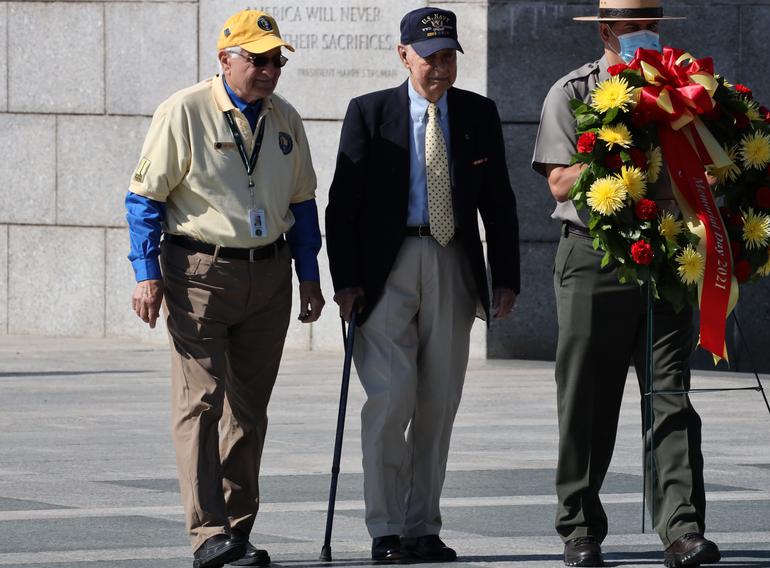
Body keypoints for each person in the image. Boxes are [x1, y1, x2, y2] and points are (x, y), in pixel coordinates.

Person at [126, 9, 324, 568]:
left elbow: (303, 204)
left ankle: (236, 529)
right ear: (225, 59)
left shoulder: (286, 119)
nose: (269, 71)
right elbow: (143, 200)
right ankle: (206, 531)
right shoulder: (184, 110)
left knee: (249, 410)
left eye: (276, 60)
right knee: (200, 404)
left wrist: (309, 275)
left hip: (270, 275)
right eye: (257, 60)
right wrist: (146, 275)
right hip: (198, 273)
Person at [325, 6, 520, 563]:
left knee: (439, 400)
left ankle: (422, 526)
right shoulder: (369, 112)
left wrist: (504, 278)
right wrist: (346, 280)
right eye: (429, 56)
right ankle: (385, 528)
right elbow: (342, 207)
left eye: (448, 57)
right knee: (390, 399)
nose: (439, 67)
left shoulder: (478, 113)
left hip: (452, 263)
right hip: (386, 270)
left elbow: (499, 203)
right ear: (403, 54)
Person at [531, 1, 722, 567]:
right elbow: (560, 184)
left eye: (654, 26)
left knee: (671, 394)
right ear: (608, 30)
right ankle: (580, 528)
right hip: (594, 253)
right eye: (635, 27)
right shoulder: (572, 91)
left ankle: (682, 528)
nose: (647, 35)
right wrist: (615, 143)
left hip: (665, 252)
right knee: (587, 395)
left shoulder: (685, 92)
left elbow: (712, 166)